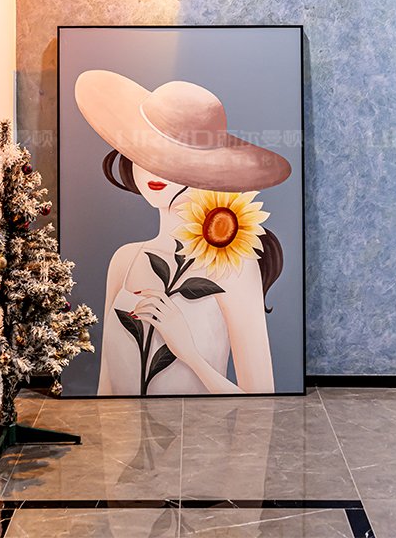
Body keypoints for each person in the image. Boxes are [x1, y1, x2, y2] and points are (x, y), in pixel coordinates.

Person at [75, 70, 291, 396]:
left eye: (176, 162)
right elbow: (106, 388)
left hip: (201, 429)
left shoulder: (233, 267)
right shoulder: (125, 260)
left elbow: (261, 403)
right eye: (148, 152)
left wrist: (189, 353)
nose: (156, 171)